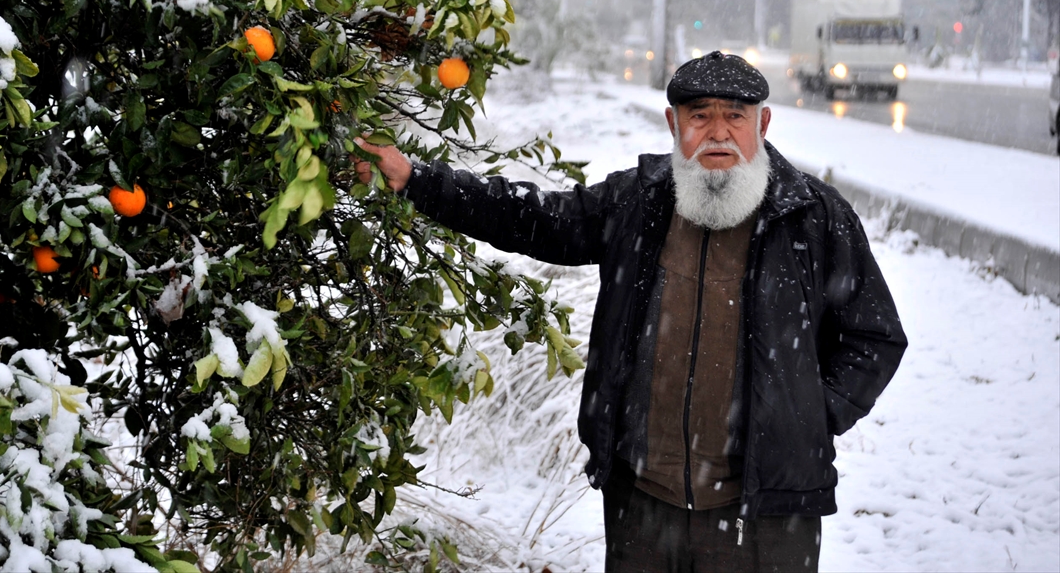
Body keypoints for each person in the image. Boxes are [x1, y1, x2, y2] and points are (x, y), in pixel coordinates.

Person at [354, 51, 907, 572]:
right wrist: (418, 181)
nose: (718, 132)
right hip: (643, 503)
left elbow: (874, 337)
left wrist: (808, 416)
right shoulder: (638, 202)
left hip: (765, 513)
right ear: (674, 124)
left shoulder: (811, 217)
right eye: (700, 116)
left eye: (735, 117)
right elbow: (538, 220)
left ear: (762, 126)